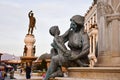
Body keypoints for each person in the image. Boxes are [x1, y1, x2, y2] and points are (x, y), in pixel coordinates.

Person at [44, 15, 90, 80]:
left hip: (80, 59)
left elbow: (86, 50)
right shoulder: (70, 33)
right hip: (70, 57)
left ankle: (46, 78)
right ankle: (58, 71)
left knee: (54, 59)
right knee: (53, 50)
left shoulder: (84, 35)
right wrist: (55, 45)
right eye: (71, 24)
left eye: (74, 24)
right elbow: (60, 40)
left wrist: (77, 56)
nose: (72, 26)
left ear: (78, 24)